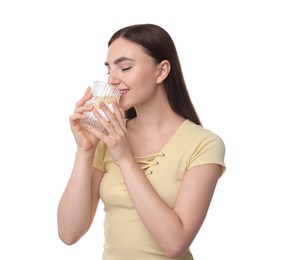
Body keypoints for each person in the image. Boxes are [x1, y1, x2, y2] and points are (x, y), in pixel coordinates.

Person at [57, 23, 226, 260]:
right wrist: (85, 151)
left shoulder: (204, 145)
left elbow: (174, 244)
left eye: (125, 67)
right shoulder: (107, 139)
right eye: (109, 70)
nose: (112, 79)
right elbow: (68, 233)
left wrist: (125, 159)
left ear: (161, 71)